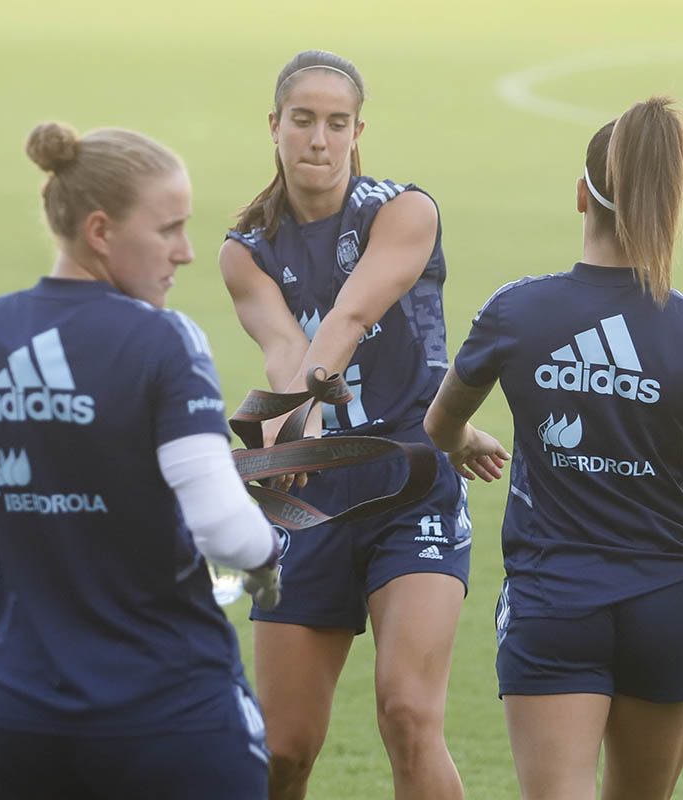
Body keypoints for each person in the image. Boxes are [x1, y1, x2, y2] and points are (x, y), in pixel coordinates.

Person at [423, 97, 683, 800]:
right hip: (667, 606)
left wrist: (464, 439)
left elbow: (437, 426)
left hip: (554, 604)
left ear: (581, 195)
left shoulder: (517, 312)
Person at [0, 121, 282, 800]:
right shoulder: (163, 340)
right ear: (99, 232)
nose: (186, 252)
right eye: (169, 229)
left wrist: (66, 482)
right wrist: (269, 557)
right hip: (169, 718)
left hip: (15, 718)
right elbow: (225, 532)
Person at [218, 50, 468, 800]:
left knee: (407, 713)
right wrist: (279, 435)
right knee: (283, 751)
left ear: (359, 131)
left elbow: (350, 316)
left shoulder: (404, 211)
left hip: (410, 484)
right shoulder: (245, 251)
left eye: (337, 123)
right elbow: (286, 350)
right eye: (303, 121)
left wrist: (294, 420)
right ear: (274, 127)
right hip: (313, 502)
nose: (319, 140)